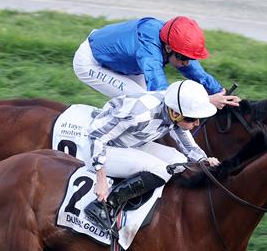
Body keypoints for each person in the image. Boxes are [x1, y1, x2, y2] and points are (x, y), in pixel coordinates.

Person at [83, 80, 220, 230]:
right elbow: (95, 136)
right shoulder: (141, 115)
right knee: (162, 168)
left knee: (179, 162)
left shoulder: (172, 109)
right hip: (101, 149)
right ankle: (104, 206)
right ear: (175, 113)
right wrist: (100, 178)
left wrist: (203, 160)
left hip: (131, 144)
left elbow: (186, 142)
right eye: (192, 119)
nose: (197, 123)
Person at [73, 16, 240, 109]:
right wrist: (208, 102)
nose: (187, 63)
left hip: (124, 64)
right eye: (184, 58)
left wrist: (219, 92)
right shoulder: (150, 51)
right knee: (146, 104)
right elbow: (162, 94)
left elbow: (197, 72)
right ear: (167, 48)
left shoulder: (173, 42)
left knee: (150, 106)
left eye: (191, 58)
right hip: (90, 63)